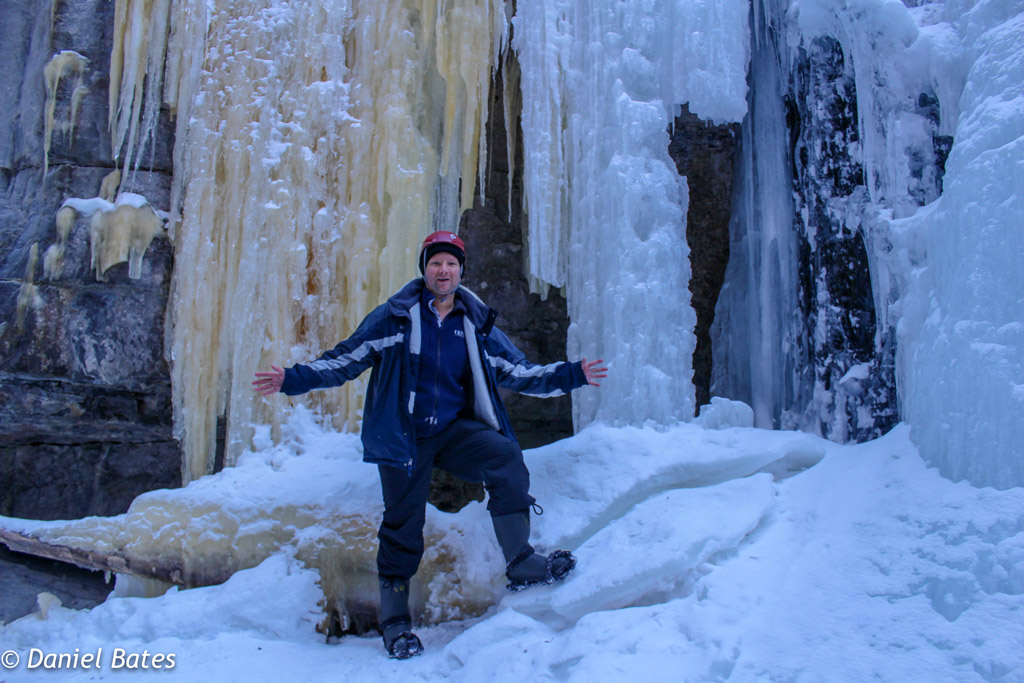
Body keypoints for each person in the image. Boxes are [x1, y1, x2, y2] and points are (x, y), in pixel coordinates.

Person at [253, 231, 606, 659]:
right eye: (436, 263)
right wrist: (293, 378)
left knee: (505, 456)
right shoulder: (395, 318)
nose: (444, 271)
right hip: (404, 436)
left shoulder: (474, 323)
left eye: (452, 264)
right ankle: (395, 620)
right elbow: (345, 359)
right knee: (402, 523)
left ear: (461, 270)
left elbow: (518, 372)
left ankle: (521, 562)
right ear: (425, 269)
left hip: (454, 432)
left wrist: (572, 374)